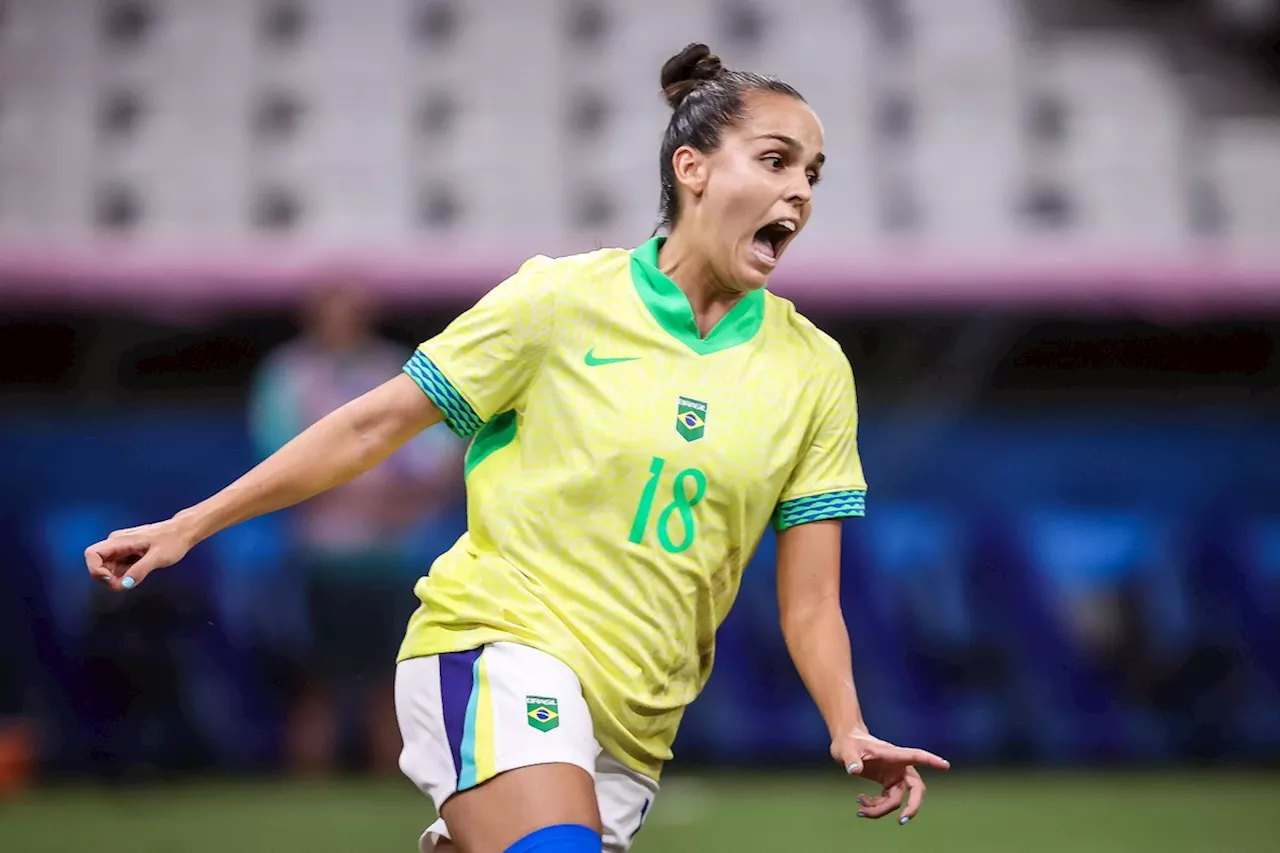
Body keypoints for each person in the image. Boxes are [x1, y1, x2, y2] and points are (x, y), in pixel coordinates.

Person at [86, 43, 950, 853]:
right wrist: (194, 523)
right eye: (775, 160)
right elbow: (372, 424)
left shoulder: (813, 370)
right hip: (495, 644)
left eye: (813, 173)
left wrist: (847, 724)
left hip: (635, 725)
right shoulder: (560, 300)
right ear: (691, 169)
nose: (799, 190)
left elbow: (810, 600)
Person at [248, 280, 465, 777]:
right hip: (321, 552)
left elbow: (436, 450)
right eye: (334, 308)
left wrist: (415, 491)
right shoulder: (290, 373)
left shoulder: (396, 368)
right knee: (317, 678)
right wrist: (338, 485)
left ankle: (391, 787)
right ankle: (307, 791)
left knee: (392, 675)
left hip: (392, 553)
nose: (344, 320)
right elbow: (275, 454)